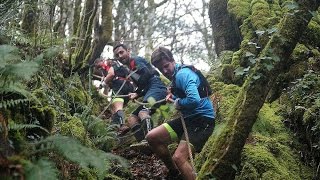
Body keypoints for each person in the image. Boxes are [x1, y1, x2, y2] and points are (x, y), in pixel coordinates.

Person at [147, 47, 215, 180]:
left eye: (166, 66)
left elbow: (194, 100)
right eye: (161, 69)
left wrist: (178, 102)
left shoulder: (182, 74)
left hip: (202, 121)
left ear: (173, 60)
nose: (165, 71)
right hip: (189, 119)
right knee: (152, 137)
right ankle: (175, 172)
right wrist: (173, 96)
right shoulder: (175, 76)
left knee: (179, 157)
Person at [113, 43, 167, 142]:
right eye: (117, 55)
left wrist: (137, 92)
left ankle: (150, 141)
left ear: (128, 51)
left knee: (143, 112)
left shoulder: (135, 60)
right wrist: (137, 93)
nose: (120, 56)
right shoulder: (129, 67)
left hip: (157, 88)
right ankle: (142, 141)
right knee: (132, 118)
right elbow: (145, 82)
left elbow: (147, 74)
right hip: (149, 90)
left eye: (121, 52)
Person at [93, 58, 134, 134]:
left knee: (117, 107)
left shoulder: (108, 63)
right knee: (114, 106)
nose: (97, 67)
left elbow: (111, 74)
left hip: (119, 85)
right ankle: (115, 127)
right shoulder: (114, 66)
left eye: (96, 64)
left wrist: (102, 85)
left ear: (100, 61)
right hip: (128, 86)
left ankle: (122, 125)